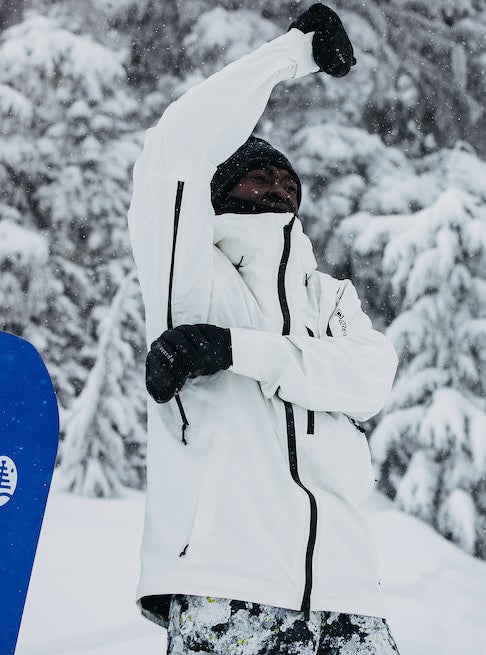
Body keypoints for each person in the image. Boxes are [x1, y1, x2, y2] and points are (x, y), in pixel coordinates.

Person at [128, 4, 400, 654]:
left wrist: (236, 350)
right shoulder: (193, 278)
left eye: (288, 180)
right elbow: (174, 150)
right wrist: (292, 55)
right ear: (220, 190)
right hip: (227, 582)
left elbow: (370, 378)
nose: (278, 185)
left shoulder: (328, 297)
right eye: (258, 174)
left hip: (349, 591)